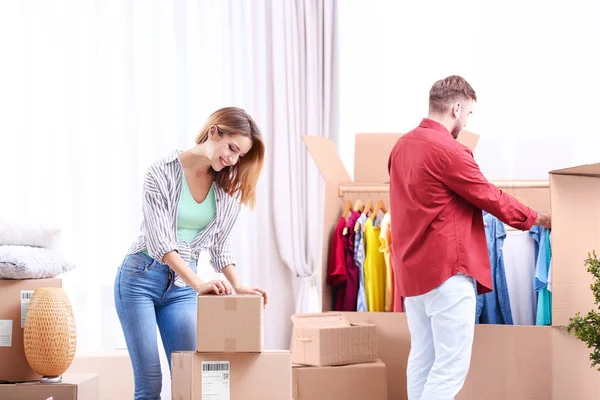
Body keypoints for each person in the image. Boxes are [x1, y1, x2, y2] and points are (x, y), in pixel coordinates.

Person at [388, 76, 551, 400]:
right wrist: (536, 218)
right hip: (447, 272)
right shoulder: (449, 150)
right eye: (468, 114)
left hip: (412, 276)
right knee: (450, 367)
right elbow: (488, 195)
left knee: (423, 358)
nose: (466, 121)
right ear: (457, 107)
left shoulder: (400, 147)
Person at [114, 106, 269, 400]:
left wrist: (238, 286)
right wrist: (199, 283)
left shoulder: (223, 188)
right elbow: (161, 243)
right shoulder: (160, 173)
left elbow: (221, 245)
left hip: (182, 288)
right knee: (150, 384)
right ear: (214, 132)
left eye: (240, 156)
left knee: (193, 378)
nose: (233, 159)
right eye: (232, 148)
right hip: (139, 279)